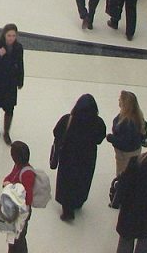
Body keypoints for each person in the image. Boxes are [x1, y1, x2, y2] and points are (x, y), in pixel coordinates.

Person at [52, 93, 107, 221]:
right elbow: (99, 139)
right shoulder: (98, 123)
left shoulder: (68, 120)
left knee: (66, 181)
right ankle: (77, 202)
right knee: (82, 181)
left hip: (68, 157)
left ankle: (67, 208)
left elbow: (57, 133)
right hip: (87, 158)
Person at [0, 24, 25, 145]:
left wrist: (20, 80)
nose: (11, 38)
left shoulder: (18, 48)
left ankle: (6, 131)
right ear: (4, 35)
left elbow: (20, 64)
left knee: (9, 108)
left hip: (10, 83)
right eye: (9, 35)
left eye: (13, 35)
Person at [3, 141, 36, 252]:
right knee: (13, 237)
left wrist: (10, 189)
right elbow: (11, 176)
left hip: (21, 211)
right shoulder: (18, 166)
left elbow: (28, 197)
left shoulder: (27, 173)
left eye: (13, 154)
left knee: (19, 238)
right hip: (14, 208)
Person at [107, 90, 147, 176]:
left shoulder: (127, 123)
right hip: (135, 150)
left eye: (120, 99)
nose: (118, 100)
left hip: (125, 154)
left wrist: (110, 138)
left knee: (123, 174)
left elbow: (125, 143)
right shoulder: (138, 117)